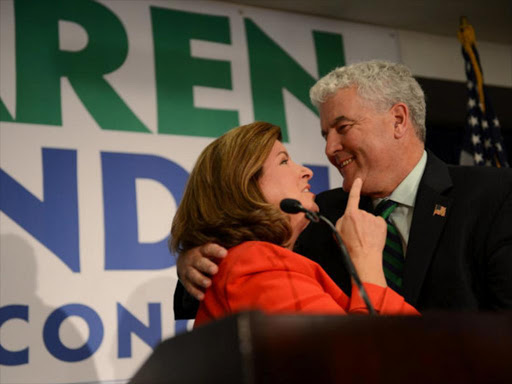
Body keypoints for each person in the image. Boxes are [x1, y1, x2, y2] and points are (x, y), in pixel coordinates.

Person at [175, 60, 512, 319]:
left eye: (342, 128)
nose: (330, 148)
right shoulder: (317, 214)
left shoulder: (494, 195)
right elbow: (243, 280)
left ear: (398, 120)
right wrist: (196, 259)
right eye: (325, 134)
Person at [170, 122, 418, 326]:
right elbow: (356, 363)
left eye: (344, 126)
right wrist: (367, 262)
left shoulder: (274, 252)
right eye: (284, 161)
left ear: (397, 120)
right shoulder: (255, 262)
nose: (306, 171)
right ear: (246, 186)